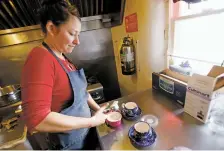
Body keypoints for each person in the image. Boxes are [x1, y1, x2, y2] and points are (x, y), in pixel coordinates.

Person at [21, 0, 108, 149]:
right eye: (72, 34)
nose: (77, 41)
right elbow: (38, 119)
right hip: (71, 145)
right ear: (51, 28)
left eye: (78, 35)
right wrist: (92, 121)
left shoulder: (63, 57)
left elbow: (82, 94)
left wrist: (98, 109)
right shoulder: (40, 59)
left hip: (86, 135)